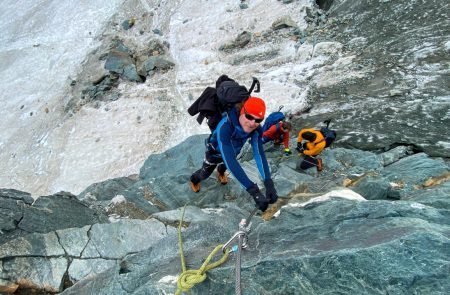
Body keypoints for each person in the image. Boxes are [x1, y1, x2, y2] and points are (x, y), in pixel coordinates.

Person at [189, 97, 278, 212]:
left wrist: (268, 183)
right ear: (242, 111)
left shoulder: (256, 130)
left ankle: (220, 172)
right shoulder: (225, 126)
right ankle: (194, 179)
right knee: (204, 174)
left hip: (234, 152)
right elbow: (230, 160)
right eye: (249, 117)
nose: (252, 123)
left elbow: (259, 154)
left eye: (258, 120)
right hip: (214, 154)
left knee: (223, 168)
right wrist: (254, 191)